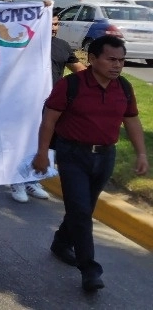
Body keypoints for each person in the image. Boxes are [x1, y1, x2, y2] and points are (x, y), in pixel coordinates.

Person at [32, 35, 147, 293]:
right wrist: (42, 153)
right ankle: (90, 269)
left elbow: (132, 121)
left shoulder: (124, 88)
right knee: (81, 211)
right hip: (72, 154)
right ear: (93, 59)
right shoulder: (70, 85)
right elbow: (49, 121)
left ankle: (61, 242)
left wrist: (141, 153)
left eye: (121, 60)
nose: (117, 65)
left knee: (82, 209)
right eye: (111, 59)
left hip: (105, 156)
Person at [9, 10, 84, 203]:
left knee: (43, 141)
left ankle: (32, 180)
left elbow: (79, 71)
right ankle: (16, 180)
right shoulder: (24, 43)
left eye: (56, 24)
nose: (53, 28)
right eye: (50, 23)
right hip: (24, 101)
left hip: (51, 103)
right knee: (23, 141)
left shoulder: (62, 46)